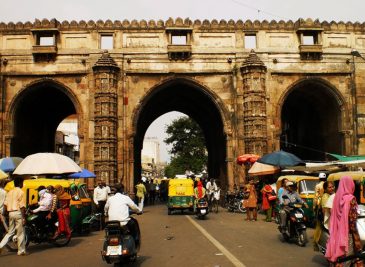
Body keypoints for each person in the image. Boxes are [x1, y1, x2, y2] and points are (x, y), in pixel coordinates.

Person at [325, 176, 363, 266]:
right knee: (348, 259)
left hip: (336, 233)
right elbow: (352, 220)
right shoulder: (351, 199)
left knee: (339, 260)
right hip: (347, 234)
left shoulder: (336, 198)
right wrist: (356, 238)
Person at [0, 177, 27, 256]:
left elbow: (5, 204)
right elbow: (22, 206)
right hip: (18, 213)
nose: (22, 184)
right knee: (20, 232)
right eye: (22, 182)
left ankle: (0, 245)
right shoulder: (21, 192)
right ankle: (21, 251)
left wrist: (5, 214)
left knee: (10, 232)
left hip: (10, 213)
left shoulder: (10, 192)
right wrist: (23, 217)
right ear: (19, 183)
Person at [313, 180, 335, 251]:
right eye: (329, 187)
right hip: (328, 217)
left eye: (332, 187)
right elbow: (325, 210)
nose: (332, 188)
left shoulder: (333, 195)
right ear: (325, 189)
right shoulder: (325, 196)